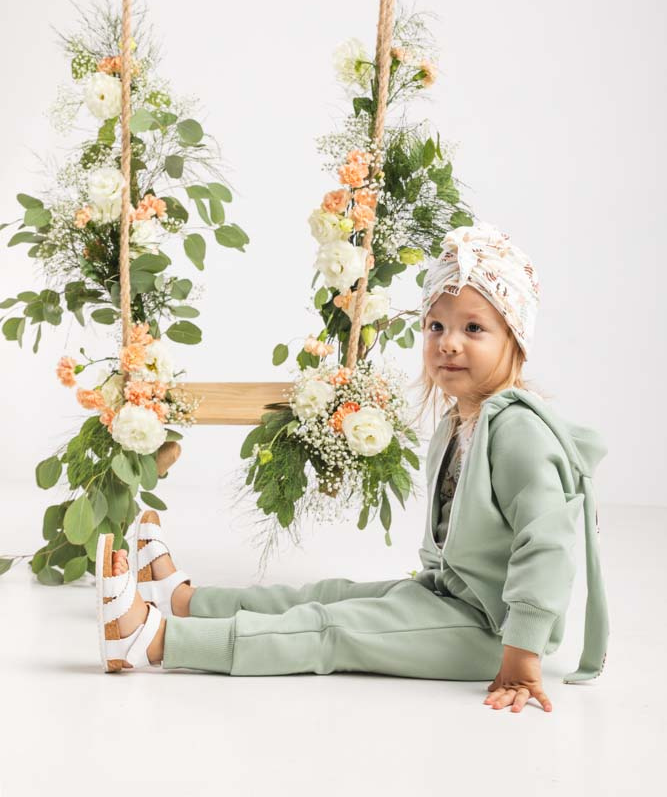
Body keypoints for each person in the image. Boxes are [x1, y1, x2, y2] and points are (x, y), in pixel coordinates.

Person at [96, 220, 609, 714]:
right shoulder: (460, 421)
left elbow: (547, 545)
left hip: (494, 633)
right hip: (452, 598)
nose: (448, 342)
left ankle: (157, 639)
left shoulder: (519, 431)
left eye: (473, 328)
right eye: (436, 326)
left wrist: (521, 654)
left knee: (332, 630)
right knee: (331, 595)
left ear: (515, 340)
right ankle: (185, 600)